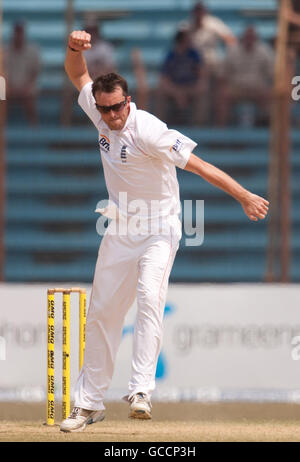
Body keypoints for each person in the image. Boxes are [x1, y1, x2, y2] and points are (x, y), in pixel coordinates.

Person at [60, 30, 269, 433]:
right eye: (106, 110)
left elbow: (202, 166)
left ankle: (140, 391)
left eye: (119, 107)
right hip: (120, 227)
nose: (113, 116)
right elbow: (78, 76)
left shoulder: (149, 129)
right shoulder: (100, 111)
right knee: (103, 312)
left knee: (148, 297)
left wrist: (244, 196)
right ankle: (88, 404)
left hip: (160, 228)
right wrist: (73, 48)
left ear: (129, 101)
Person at [216, 26, 275, 126]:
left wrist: (269, 88)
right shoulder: (232, 51)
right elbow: (222, 74)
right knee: (222, 96)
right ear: (243, 37)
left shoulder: (264, 51)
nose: (249, 39)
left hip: (257, 88)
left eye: (251, 37)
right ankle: (221, 130)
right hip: (237, 88)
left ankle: (269, 129)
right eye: (247, 37)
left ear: (256, 38)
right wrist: (223, 87)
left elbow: (272, 74)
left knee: (273, 96)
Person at [157, 28, 206, 125]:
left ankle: (199, 125)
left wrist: (192, 89)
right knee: (160, 92)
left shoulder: (194, 54)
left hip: (190, 87)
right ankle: (160, 125)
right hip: (175, 88)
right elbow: (164, 78)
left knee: (203, 93)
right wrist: (177, 93)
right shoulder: (170, 55)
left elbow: (201, 75)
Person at [4, 21, 41, 125]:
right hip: (8, 86)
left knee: (30, 96)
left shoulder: (32, 51)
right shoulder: (5, 51)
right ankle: (2, 125)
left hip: (27, 86)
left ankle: (34, 126)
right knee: (2, 95)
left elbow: (35, 73)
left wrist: (25, 87)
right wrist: (9, 87)